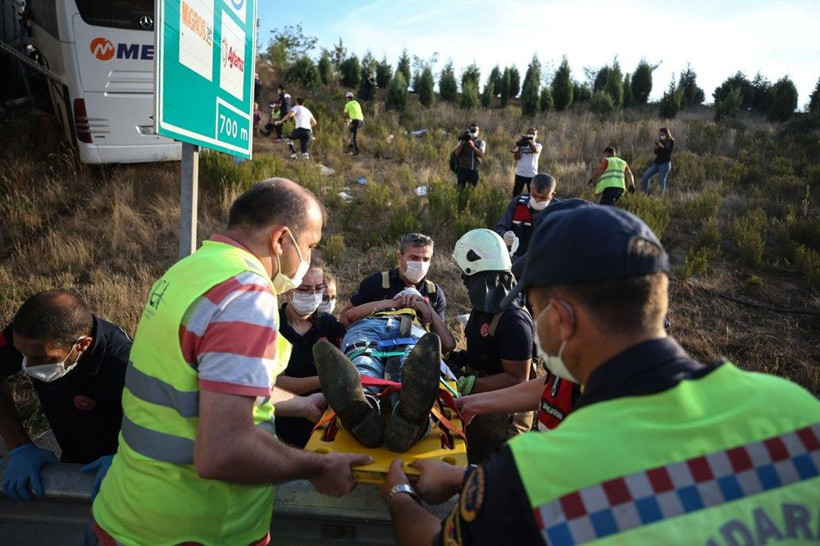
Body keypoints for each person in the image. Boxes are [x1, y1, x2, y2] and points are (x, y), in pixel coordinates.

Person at [380, 203, 820, 545]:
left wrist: (400, 494)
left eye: (536, 309)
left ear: (562, 320)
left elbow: (433, 540)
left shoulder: (536, 474)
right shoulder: (796, 409)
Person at [91, 179, 371, 545]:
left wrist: (300, 404)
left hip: (126, 512)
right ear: (281, 239)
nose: (308, 258)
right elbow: (223, 451)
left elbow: (204, 382)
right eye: (310, 245)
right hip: (194, 529)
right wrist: (316, 466)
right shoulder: (247, 294)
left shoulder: (191, 270)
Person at [0, 289, 131, 501]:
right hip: (72, 456)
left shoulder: (124, 364)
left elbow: (167, 424)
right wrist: (19, 446)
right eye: (23, 354)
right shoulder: (28, 337)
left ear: (82, 345)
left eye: (41, 358)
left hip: (121, 469)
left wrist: (131, 461)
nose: (28, 366)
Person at [314, 283, 455, 453]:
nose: (409, 300)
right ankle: (362, 407)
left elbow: (448, 344)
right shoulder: (377, 307)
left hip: (411, 330)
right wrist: (393, 303)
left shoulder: (422, 316)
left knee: (413, 362)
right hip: (368, 327)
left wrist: (426, 308)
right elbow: (348, 317)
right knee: (364, 359)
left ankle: (408, 415)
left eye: (414, 297)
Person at [451, 229, 534, 463]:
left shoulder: (513, 320)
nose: (463, 280)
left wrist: (470, 385)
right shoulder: (483, 308)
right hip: (481, 408)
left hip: (504, 421)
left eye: (466, 274)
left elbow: (518, 379)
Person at [275, 259, 346, 448]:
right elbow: (274, 383)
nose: (313, 295)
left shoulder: (329, 325)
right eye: (305, 289)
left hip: (323, 430)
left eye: (318, 288)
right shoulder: (273, 324)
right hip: (281, 431)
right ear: (289, 289)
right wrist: (325, 380)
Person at [340, 233, 447, 325]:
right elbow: (345, 318)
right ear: (400, 257)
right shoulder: (376, 282)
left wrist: (427, 309)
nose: (420, 264)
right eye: (414, 258)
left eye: (426, 259)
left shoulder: (434, 292)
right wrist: (392, 304)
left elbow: (443, 342)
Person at [495, 173, 557, 262]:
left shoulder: (559, 210)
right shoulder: (517, 202)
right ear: (530, 188)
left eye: (543, 198)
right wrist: (504, 235)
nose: (537, 200)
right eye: (534, 195)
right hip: (514, 260)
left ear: (552, 194)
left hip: (543, 263)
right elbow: (501, 226)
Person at [641, 126, 675, 194]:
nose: (661, 136)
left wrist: (662, 146)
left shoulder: (670, 141)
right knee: (645, 177)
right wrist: (657, 148)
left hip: (665, 164)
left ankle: (661, 197)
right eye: (660, 134)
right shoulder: (660, 140)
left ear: (667, 134)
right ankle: (644, 193)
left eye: (662, 134)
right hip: (657, 163)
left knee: (661, 181)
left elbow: (668, 152)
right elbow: (656, 153)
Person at [452, 123, 486, 190]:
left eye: (475, 130)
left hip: (474, 170)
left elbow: (481, 154)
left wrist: (473, 147)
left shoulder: (481, 142)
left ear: (478, 132)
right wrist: (463, 142)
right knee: (460, 190)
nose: (473, 131)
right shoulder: (463, 140)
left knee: (473, 190)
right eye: (472, 129)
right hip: (462, 169)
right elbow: (456, 154)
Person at [511, 127, 542, 196]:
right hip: (520, 173)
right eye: (530, 133)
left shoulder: (538, 145)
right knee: (516, 194)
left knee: (532, 195)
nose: (531, 135)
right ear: (527, 134)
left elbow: (535, 150)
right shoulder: (522, 145)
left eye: (533, 134)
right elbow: (516, 158)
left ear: (536, 136)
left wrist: (528, 141)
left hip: (532, 174)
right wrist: (519, 146)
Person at [343, 91, 364, 155]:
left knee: (353, 135)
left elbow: (345, 115)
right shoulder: (357, 103)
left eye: (346, 98)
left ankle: (356, 152)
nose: (345, 100)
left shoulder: (347, 104)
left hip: (355, 121)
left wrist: (346, 121)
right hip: (361, 121)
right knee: (352, 132)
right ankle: (351, 146)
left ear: (347, 98)